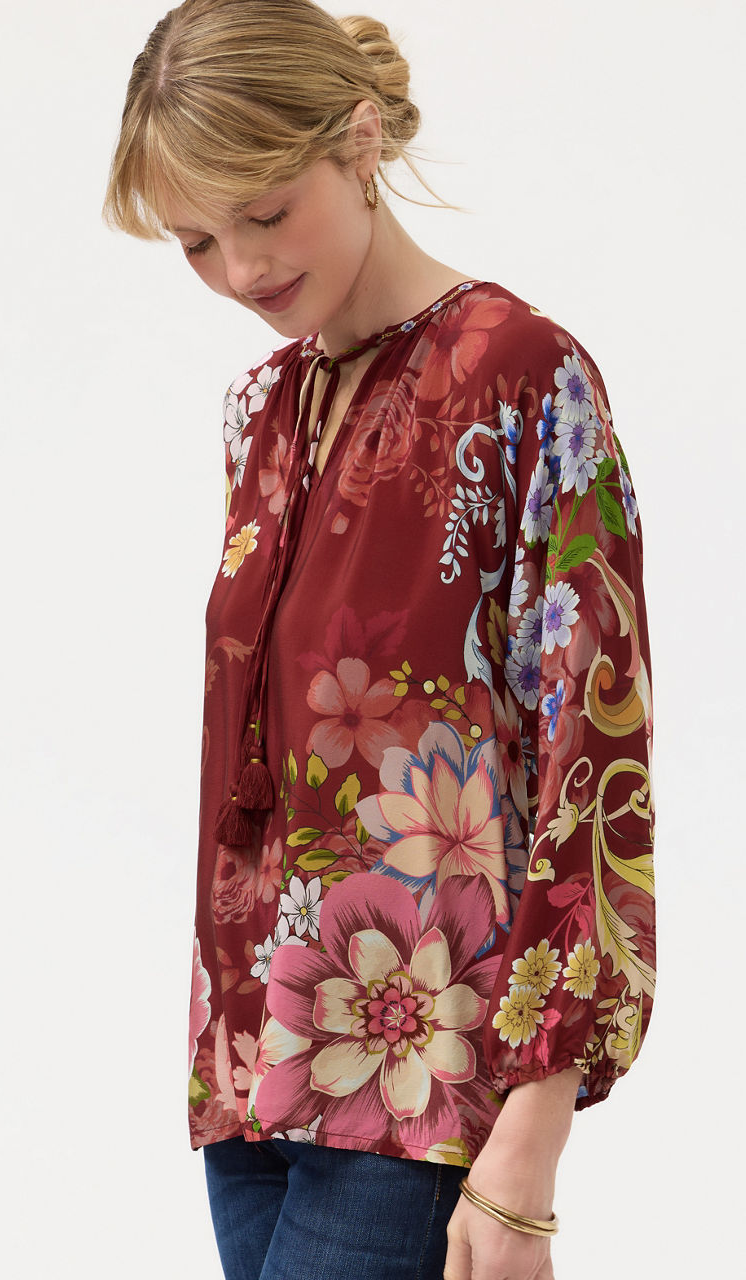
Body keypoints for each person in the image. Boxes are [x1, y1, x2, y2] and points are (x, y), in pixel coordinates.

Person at [103, 2, 656, 1277]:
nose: (241, 270)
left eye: (264, 211)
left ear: (356, 142)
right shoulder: (260, 412)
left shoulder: (523, 374)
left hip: (421, 1078)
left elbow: (592, 765)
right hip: (249, 1069)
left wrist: (529, 1140)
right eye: (196, 240)